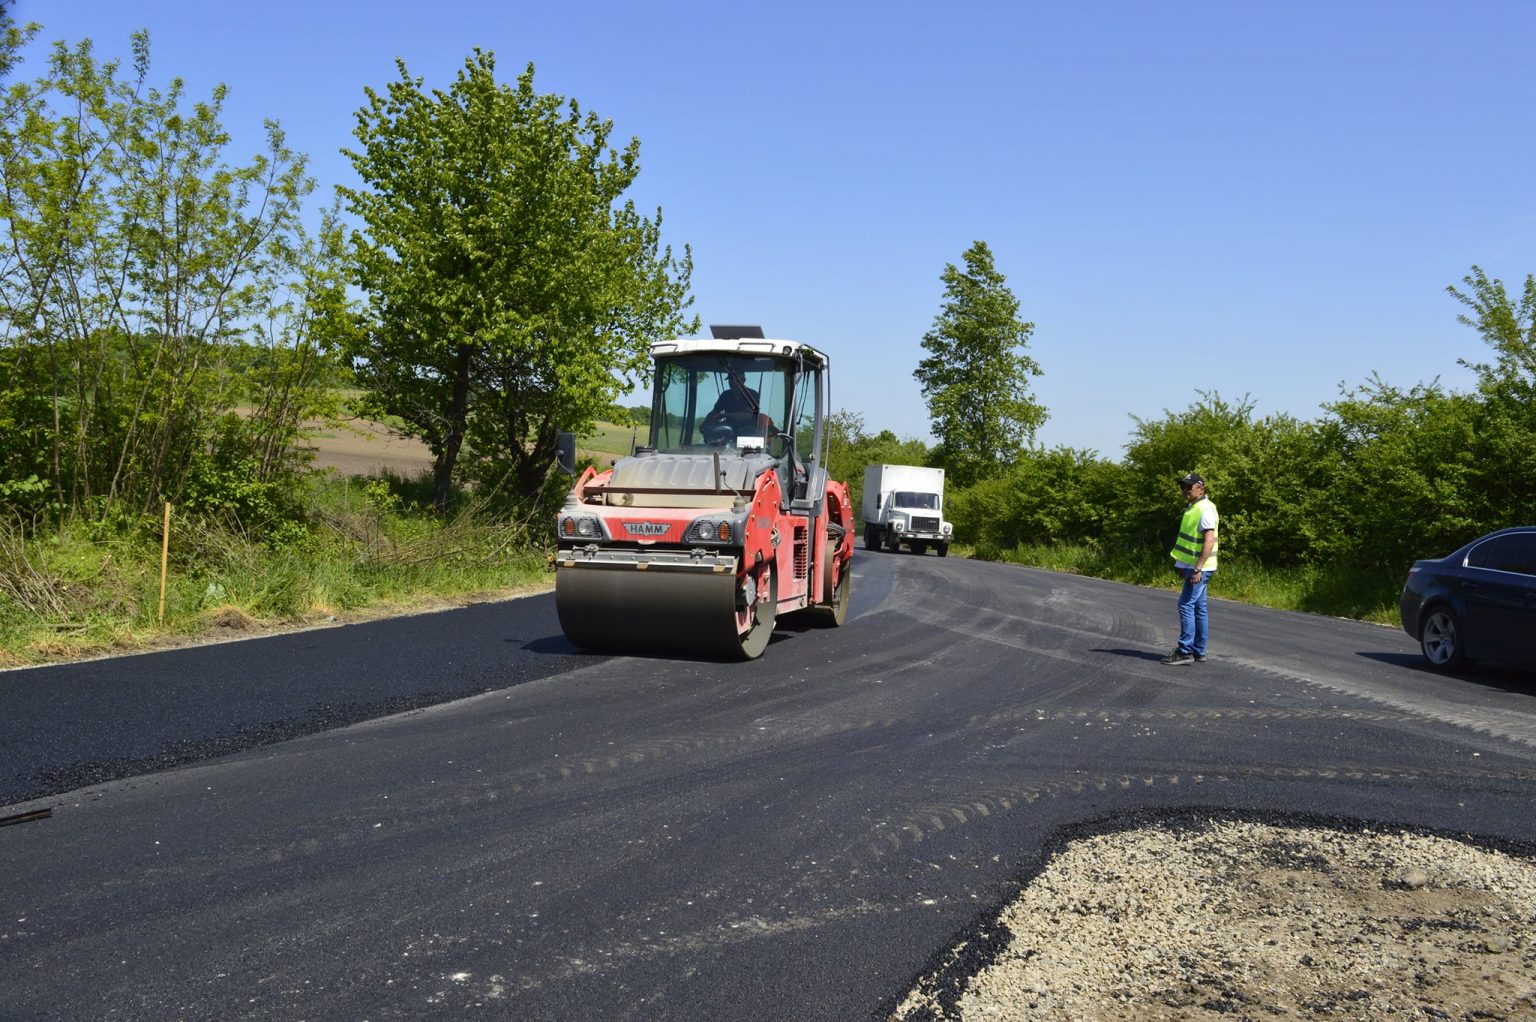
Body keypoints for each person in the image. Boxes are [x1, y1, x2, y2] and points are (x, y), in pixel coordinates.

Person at [1161, 472, 1218, 665]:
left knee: (1185, 605)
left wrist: (1197, 568)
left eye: (1188, 486)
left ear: (1200, 488)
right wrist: (1184, 566)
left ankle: (1185, 651)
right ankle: (1198, 651)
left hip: (1200, 568)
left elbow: (1209, 541)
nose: (1184, 490)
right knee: (1199, 608)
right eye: (1182, 486)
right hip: (1193, 566)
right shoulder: (1193, 507)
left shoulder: (1205, 509)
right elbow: (1191, 543)